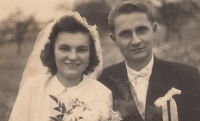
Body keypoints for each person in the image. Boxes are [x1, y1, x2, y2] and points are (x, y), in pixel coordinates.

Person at [98, 0, 200, 121]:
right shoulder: (103, 81)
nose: (135, 40)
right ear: (114, 39)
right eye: (125, 34)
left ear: (154, 30)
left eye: (141, 30)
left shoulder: (186, 76)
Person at [9, 11, 112, 121]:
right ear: (52, 52)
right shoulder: (32, 88)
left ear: (90, 55)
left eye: (81, 50)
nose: (73, 57)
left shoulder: (101, 93)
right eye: (64, 49)